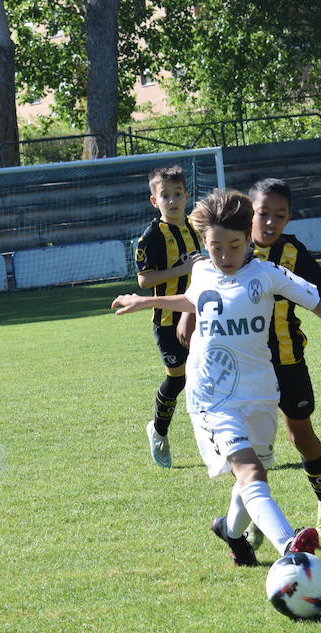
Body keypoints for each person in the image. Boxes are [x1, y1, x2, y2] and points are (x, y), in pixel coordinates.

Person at [111, 188, 321, 566]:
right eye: (215, 247)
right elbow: (195, 298)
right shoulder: (203, 269)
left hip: (259, 391)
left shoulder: (269, 274)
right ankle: (289, 548)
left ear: (247, 239)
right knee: (251, 470)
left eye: (233, 246)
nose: (223, 256)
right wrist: (148, 301)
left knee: (254, 475)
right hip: (211, 394)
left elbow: (319, 303)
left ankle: (231, 530)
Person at [242, 177, 321, 540]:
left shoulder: (294, 252)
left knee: (299, 433)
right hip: (247, 366)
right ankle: (255, 518)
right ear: (249, 212)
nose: (270, 222)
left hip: (288, 360)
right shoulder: (232, 248)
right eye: (263, 213)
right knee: (255, 444)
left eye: (279, 216)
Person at [135, 165, 202, 469]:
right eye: (166, 196)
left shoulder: (195, 227)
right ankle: (158, 430)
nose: (172, 200)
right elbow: (144, 281)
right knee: (177, 379)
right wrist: (181, 270)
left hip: (202, 314)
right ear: (154, 200)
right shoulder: (151, 236)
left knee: (205, 374)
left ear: (186, 196)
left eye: (177, 194)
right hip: (167, 320)